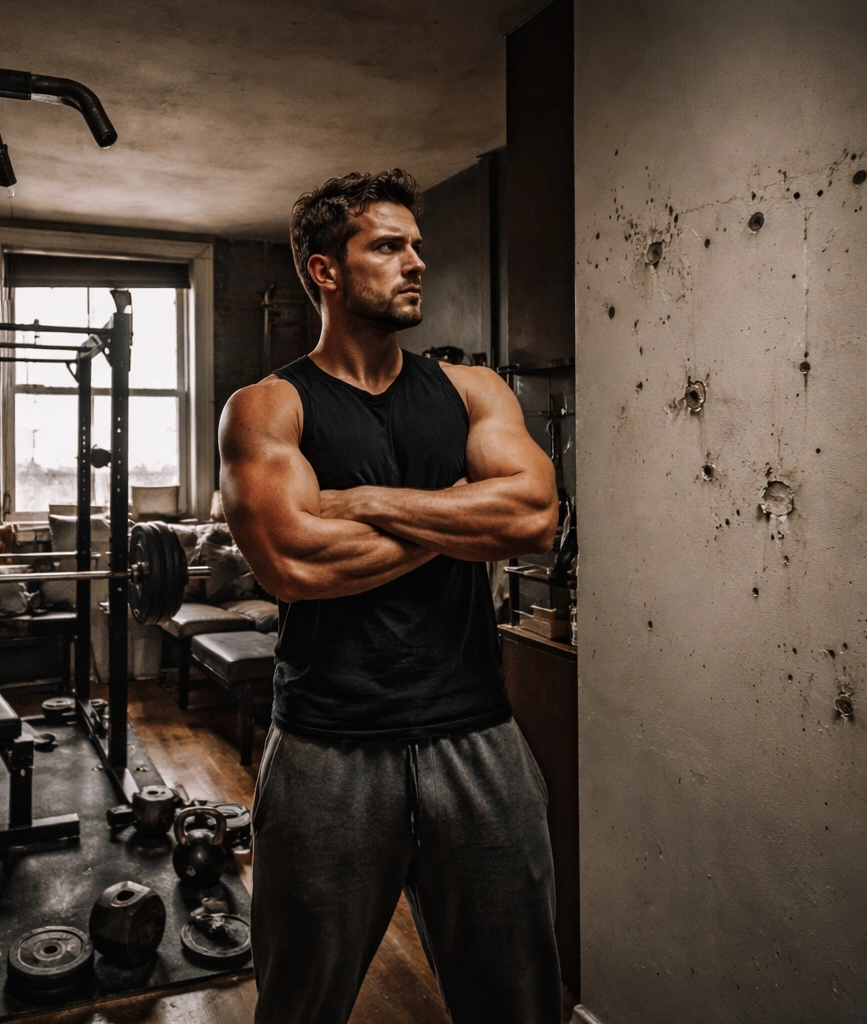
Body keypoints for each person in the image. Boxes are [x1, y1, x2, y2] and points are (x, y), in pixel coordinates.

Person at [218, 169, 562, 1024]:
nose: (414, 263)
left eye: (417, 247)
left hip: (477, 732)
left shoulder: (473, 389)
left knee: (517, 1001)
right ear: (325, 270)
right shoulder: (267, 409)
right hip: (327, 748)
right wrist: (459, 513)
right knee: (301, 1003)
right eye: (387, 246)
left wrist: (366, 501)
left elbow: (534, 516)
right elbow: (294, 561)